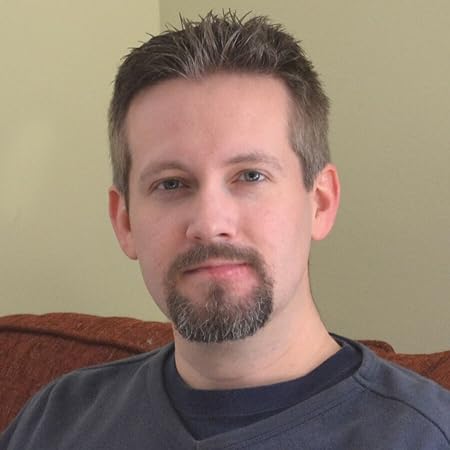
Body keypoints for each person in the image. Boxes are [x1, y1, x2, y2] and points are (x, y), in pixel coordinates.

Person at [2, 11, 449, 450]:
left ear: (321, 202)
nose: (210, 224)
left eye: (250, 176)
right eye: (171, 184)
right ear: (125, 221)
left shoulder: (425, 435)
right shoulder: (55, 420)